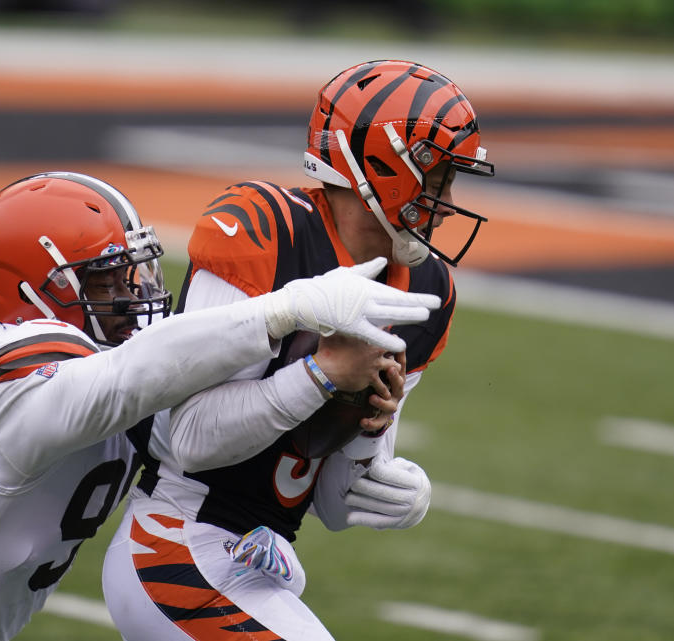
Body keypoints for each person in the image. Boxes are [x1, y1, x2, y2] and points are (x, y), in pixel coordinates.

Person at [0, 171, 443, 641]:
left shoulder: (98, 357)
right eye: (106, 278)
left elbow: (183, 409)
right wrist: (285, 309)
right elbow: (131, 379)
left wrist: (364, 444)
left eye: (137, 269)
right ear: (36, 291)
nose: (137, 291)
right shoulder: (18, 373)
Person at [102, 59, 496, 640]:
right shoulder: (266, 227)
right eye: (436, 176)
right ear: (385, 165)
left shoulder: (428, 287)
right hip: (176, 536)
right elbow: (189, 440)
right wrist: (320, 374)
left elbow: (331, 505)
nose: (445, 199)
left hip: (262, 556)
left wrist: (376, 454)